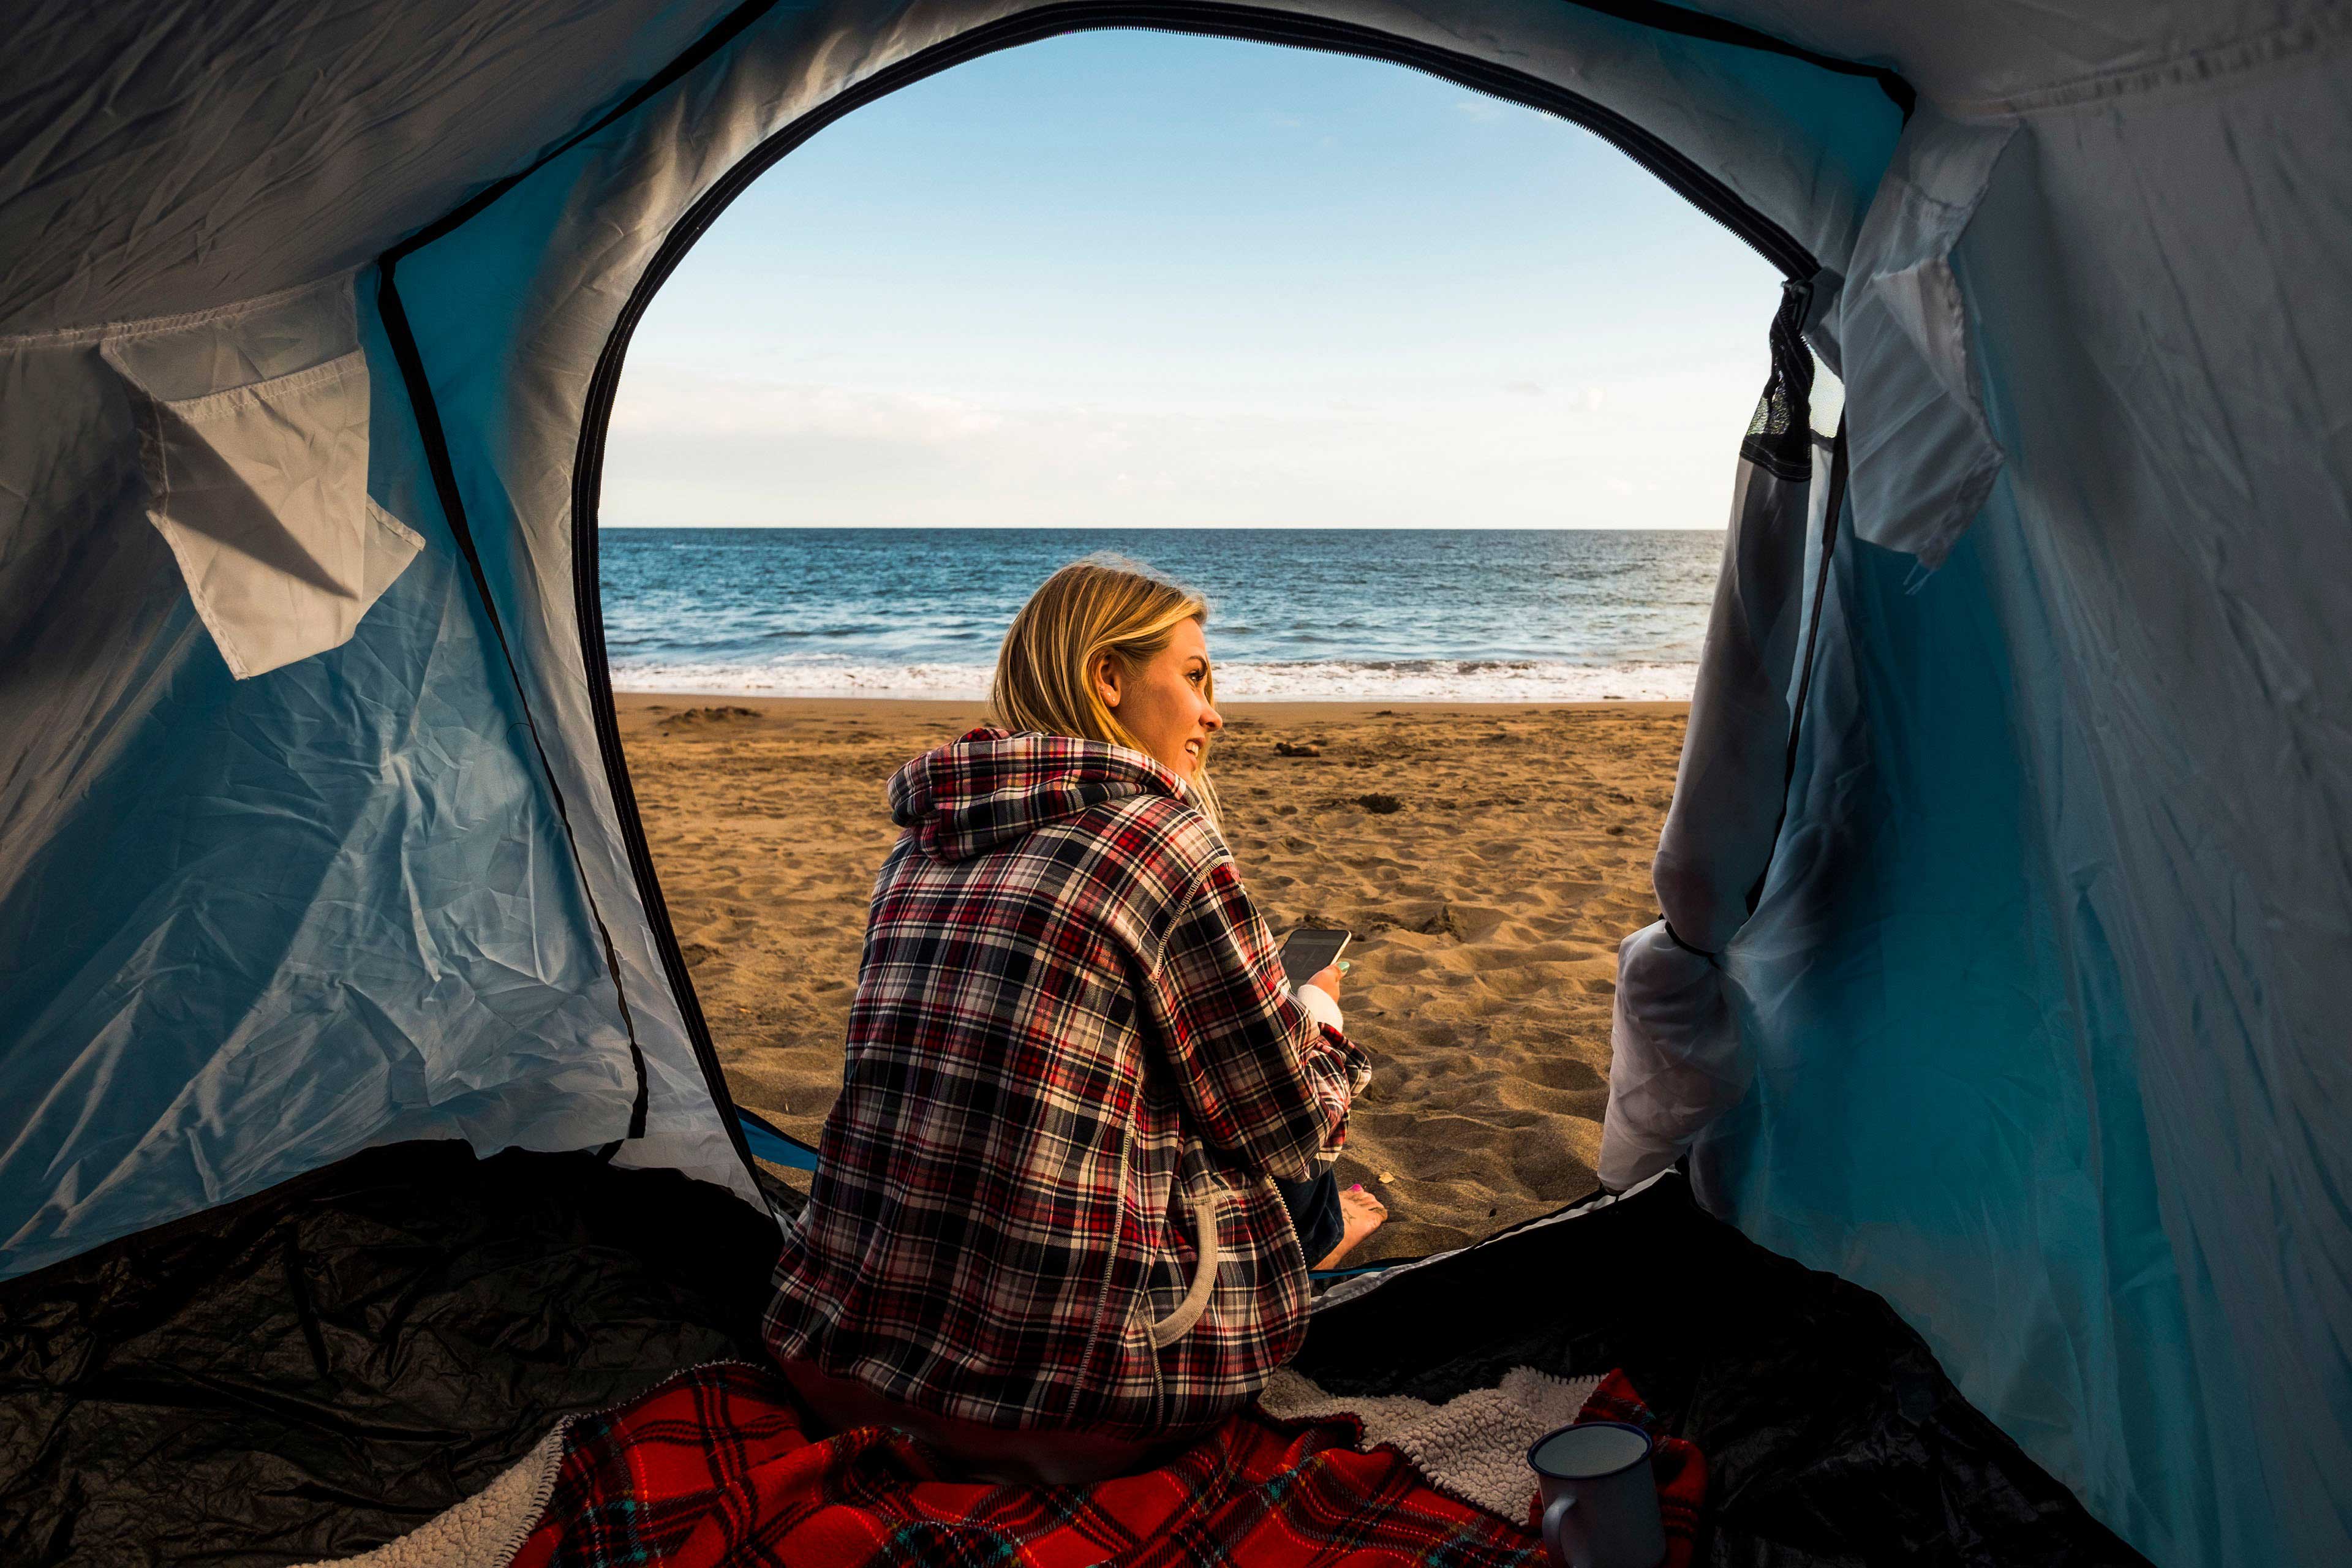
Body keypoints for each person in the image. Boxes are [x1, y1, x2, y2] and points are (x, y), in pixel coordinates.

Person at [764, 556, 1385, 1485]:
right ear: (1109, 678)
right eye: (1196, 677)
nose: (1215, 714)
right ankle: (1328, 1229)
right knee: (1301, 1160)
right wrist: (1321, 1006)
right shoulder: (1159, 840)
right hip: (1070, 1404)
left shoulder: (919, 846)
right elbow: (1291, 1122)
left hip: (833, 1359)